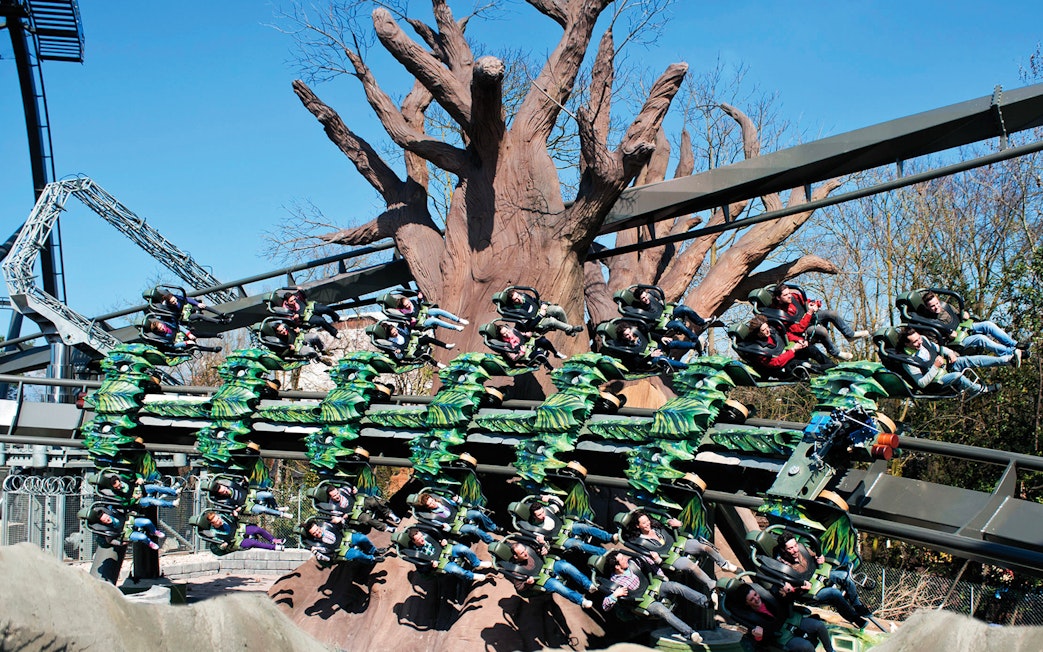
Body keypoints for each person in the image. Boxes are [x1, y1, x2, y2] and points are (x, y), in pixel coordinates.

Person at [601, 550, 706, 645]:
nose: (625, 559)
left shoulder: (632, 563)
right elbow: (605, 606)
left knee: (675, 586)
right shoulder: (615, 583)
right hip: (644, 601)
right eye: (622, 559)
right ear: (617, 567)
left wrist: (660, 573)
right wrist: (615, 595)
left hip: (652, 587)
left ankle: (704, 601)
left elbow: (647, 562)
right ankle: (690, 633)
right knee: (662, 611)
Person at [625, 511, 738, 594]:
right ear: (637, 525)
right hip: (669, 557)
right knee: (691, 566)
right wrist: (657, 559)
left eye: (647, 520)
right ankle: (712, 585)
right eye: (644, 523)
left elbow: (671, 525)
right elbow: (650, 559)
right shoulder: (640, 541)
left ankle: (724, 564)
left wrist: (676, 524)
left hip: (677, 544)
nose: (647, 524)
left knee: (705, 547)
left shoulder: (656, 526)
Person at [774, 534, 868, 625]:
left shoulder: (801, 548)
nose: (795, 550)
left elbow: (814, 555)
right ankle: (855, 618)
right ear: (783, 550)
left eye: (795, 546)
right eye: (790, 548)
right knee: (834, 593)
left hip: (818, 573)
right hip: (809, 589)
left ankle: (857, 605)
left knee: (845, 576)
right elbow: (783, 591)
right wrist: (799, 588)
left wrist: (819, 558)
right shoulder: (781, 566)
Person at [898, 326, 1015, 396]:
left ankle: (1007, 360)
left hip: (945, 366)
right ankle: (980, 390)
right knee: (958, 376)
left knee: (969, 360)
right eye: (915, 342)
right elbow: (921, 383)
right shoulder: (908, 361)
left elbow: (939, 348)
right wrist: (935, 367)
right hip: (937, 380)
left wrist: (950, 353)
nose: (919, 342)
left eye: (918, 338)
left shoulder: (923, 340)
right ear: (907, 344)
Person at [770, 285, 868, 361]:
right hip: (803, 330)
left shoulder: (794, 297)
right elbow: (798, 329)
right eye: (785, 295)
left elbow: (806, 301)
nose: (789, 296)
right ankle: (836, 353)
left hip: (810, 316)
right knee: (822, 331)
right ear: (778, 298)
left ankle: (850, 335)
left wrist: (814, 304)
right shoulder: (780, 313)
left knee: (831, 313)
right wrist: (809, 313)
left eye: (789, 293)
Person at [918, 291, 1025, 356]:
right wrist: (949, 337)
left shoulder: (945, 307)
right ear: (927, 307)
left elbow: (958, 315)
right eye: (932, 306)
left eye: (937, 303)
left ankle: (1014, 344)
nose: (937, 307)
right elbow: (936, 345)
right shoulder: (929, 324)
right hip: (956, 341)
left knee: (987, 324)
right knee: (981, 339)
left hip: (963, 328)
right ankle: (1011, 352)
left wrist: (963, 314)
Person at [741, 583, 834, 652]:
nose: (756, 599)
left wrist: (796, 590)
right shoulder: (750, 617)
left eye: (755, 595)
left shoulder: (769, 597)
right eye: (751, 599)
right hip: (781, 635)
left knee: (819, 625)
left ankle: (830, 650)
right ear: (746, 603)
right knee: (807, 646)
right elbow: (760, 642)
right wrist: (759, 637)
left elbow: (788, 600)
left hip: (792, 619)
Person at [508, 540, 595, 608]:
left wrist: (544, 550)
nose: (526, 553)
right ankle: (581, 601)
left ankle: (588, 585)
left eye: (524, 550)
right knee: (557, 586)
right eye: (522, 553)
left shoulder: (530, 551)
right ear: (516, 556)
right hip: (539, 578)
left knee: (566, 566)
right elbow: (519, 588)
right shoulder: (517, 570)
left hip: (545, 565)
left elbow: (540, 550)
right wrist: (527, 583)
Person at [519, 498, 618, 556]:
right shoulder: (535, 530)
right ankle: (605, 553)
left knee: (585, 527)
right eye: (539, 515)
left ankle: (610, 537)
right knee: (578, 544)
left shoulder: (548, 510)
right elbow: (545, 545)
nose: (543, 515)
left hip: (566, 526)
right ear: (533, 516)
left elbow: (560, 503)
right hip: (559, 539)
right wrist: (543, 543)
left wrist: (548, 498)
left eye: (542, 512)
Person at [744, 315, 832, 376]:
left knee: (809, 347)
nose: (768, 331)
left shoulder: (772, 331)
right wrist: (793, 350)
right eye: (764, 330)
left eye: (767, 327)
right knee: (804, 365)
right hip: (781, 366)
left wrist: (800, 340)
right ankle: (828, 370)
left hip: (789, 354)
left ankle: (831, 365)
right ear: (758, 333)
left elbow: (787, 335)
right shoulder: (758, 349)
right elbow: (775, 363)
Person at [405, 527, 492, 582]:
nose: (422, 539)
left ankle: (477, 563)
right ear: (414, 541)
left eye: (421, 536)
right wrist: (430, 565)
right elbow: (421, 569)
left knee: (464, 549)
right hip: (439, 561)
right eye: (418, 539)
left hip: (445, 550)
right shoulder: (415, 554)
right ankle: (472, 576)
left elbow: (439, 533)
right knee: (456, 570)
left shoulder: (428, 535)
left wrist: (443, 539)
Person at [417, 492, 499, 544]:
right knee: (473, 529)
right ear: (428, 507)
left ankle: (493, 527)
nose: (433, 504)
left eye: (432, 501)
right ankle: (490, 541)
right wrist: (446, 527)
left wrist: (457, 500)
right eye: (430, 504)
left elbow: (456, 503)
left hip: (460, 513)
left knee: (478, 514)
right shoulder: (433, 517)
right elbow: (446, 528)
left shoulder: (442, 500)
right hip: (456, 525)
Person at [631, 286, 706, 341]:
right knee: (678, 324)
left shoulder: (650, 296)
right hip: (662, 323)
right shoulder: (642, 311)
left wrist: (660, 299)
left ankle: (702, 322)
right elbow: (647, 327)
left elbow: (653, 292)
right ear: (640, 300)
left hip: (667, 313)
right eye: (643, 298)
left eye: (646, 296)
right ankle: (696, 339)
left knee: (684, 308)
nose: (646, 298)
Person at [303, 516, 386, 564]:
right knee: (357, 554)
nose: (317, 533)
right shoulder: (317, 545)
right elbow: (327, 559)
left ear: (318, 527)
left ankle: (374, 550)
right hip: (339, 550)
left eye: (317, 530)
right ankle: (372, 559)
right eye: (314, 533)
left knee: (362, 538)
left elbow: (343, 524)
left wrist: (340, 519)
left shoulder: (327, 525)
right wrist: (316, 553)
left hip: (344, 537)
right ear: (311, 535)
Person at [500, 288, 583, 336]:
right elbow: (529, 325)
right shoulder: (516, 312)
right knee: (552, 321)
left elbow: (535, 301)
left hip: (541, 310)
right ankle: (571, 328)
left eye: (518, 296)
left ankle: (569, 331)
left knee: (558, 309)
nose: (519, 299)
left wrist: (543, 304)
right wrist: (540, 315)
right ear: (513, 302)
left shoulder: (525, 297)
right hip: (537, 321)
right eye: (516, 299)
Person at [325, 483, 401, 532]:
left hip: (358, 503)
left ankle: (390, 514)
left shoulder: (342, 490)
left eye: (337, 493)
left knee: (373, 501)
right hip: (352, 513)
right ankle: (386, 528)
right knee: (367, 519)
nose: (337, 496)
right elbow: (338, 519)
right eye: (334, 496)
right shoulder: (333, 507)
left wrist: (354, 490)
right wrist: (341, 518)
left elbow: (353, 490)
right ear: (330, 497)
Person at [89, 505, 165, 550]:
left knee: (147, 522)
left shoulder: (113, 512)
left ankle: (154, 531)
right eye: (105, 520)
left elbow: (121, 508)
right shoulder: (107, 531)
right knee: (143, 537)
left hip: (129, 521)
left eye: (107, 517)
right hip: (126, 532)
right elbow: (110, 540)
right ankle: (149, 543)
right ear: (103, 522)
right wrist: (121, 543)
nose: (107, 519)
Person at [618, 324, 688, 371]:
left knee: (669, 343)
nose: (630, 335)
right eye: (627, 335)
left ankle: (694, 345)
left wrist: (661, 338)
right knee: (663, 359)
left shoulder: (637, 334)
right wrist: (651, 356)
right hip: (648, 358)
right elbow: (638, 362)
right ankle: (686, 367)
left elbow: (650, 334)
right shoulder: (627, 349)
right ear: (622, 337)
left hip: (652, 348)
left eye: (630, 332)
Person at [205, 510, 285, 551]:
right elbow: (220, 545)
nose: (220, 521)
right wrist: (223, 545)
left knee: (257, 529)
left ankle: (273, 540)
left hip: (239, 529)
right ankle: (275, 547)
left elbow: (234, 521)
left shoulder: (223, 517)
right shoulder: (214, 533)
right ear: (213, 524)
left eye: (218, 518)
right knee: (253, 542)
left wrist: (235, 516)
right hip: (235, 540)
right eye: (217, 521)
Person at [386, 293, 469, 332]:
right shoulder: (404, 314)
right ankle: (455, 327)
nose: (409, 305)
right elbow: (410, 325)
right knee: (435, 321)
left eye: (408, 303)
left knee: (438, 311)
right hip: (421, 322)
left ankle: (459, 320)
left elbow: (418, 303)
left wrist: (419, 298)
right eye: (406, 305)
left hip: (425, 312)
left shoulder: (412, 302)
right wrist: (412, 322)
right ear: (403, 307)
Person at [495, 323, 563, 369]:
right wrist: (521, 353)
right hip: (524, 353)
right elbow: (513, 358)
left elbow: (522, 334)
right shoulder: (506, 346)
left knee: (544, 341)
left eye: (507, 331)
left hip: (528, 343)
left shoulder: (513, 331)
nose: (507, 333)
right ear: (501, 336)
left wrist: (527, 334)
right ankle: (551, 369)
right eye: (504, 334)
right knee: (539, 355)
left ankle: (556, 353)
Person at [209, 480, 291, 518]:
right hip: (246, 505)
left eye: (224, 489)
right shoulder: (223, 501)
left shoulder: (230, 484)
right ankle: (281, 514)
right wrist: (237, 510)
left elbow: (242, 484)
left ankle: (276, 507)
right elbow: (231, 510)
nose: (225, 491)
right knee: (263, 509)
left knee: (268, 495)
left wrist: (245, 481)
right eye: (223, 492)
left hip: (249, 495)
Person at [102, 473, 180, 509]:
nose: (119, 488)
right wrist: (134, 499)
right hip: (138, 500)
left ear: (119, 480)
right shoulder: (116, 493)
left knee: (155, 487)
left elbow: (135, 473)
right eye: (116, 487)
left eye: (119, 485)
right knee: (153, 501)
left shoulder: (124, 477)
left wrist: (139, 478)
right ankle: (172, 504)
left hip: (141, 488)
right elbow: (125, 504)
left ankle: (175, 492)